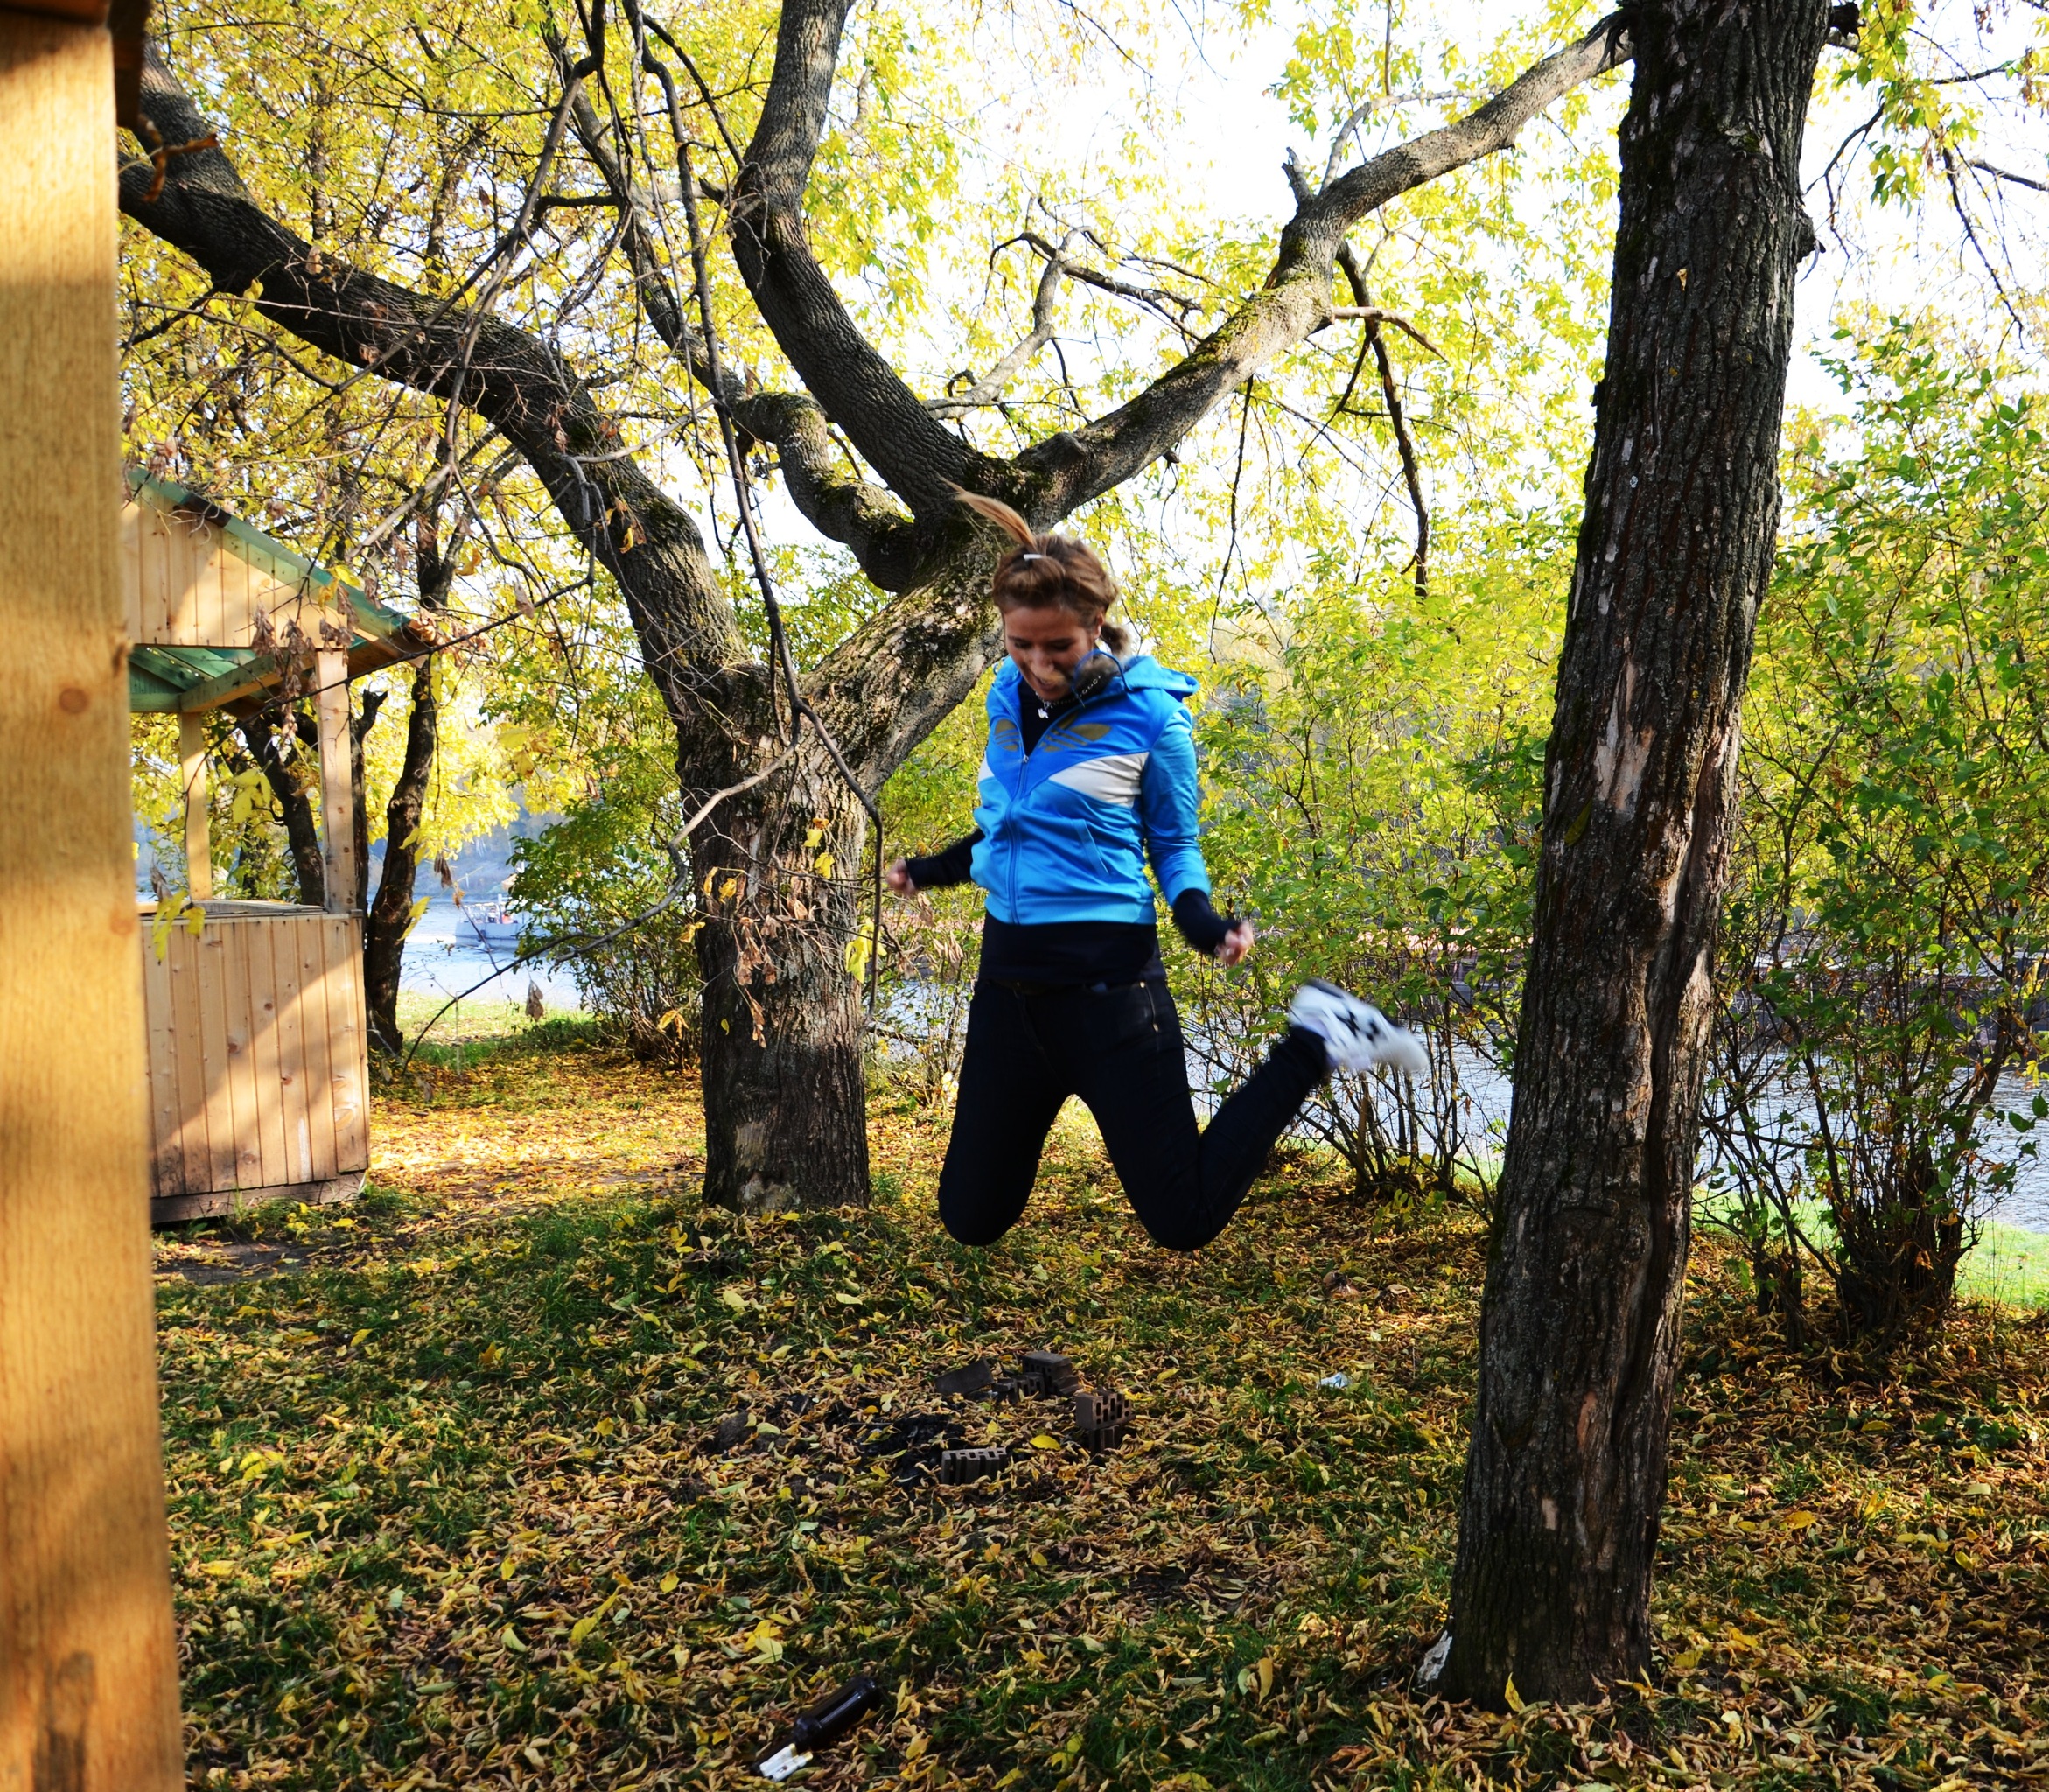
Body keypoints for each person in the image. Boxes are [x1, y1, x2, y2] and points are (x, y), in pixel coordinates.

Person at [888, 490, 1427, 1252]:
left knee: (1183, 1217)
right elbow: (1008, 823)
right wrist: (932, 869)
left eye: (1058, 646)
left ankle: (1318, 1037)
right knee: (971, 1216)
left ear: (1096, 626)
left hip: (1111, 1000)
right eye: (1020, 645)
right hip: (1007, 996)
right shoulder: (1005, 698)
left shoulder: (1153, 716)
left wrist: (1204, 923)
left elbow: (1174, 846)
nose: (1038, 665)